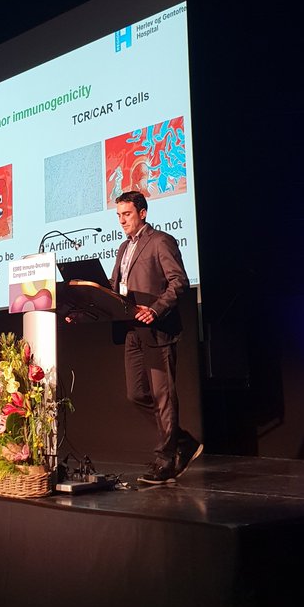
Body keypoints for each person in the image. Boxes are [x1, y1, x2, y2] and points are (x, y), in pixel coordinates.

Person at [110, 191, 202, 485]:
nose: (122, 220)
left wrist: (156, 309)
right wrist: (86, 307)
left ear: (142, 213)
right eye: (119, 216)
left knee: (164, 397)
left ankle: (166, 460)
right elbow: (116, 289)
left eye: (127, 214)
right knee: (136, 394)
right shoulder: (123, 248)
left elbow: (179, 282)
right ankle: (182, 441)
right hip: (132, 331)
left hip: (158, 329)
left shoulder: (161, 241)